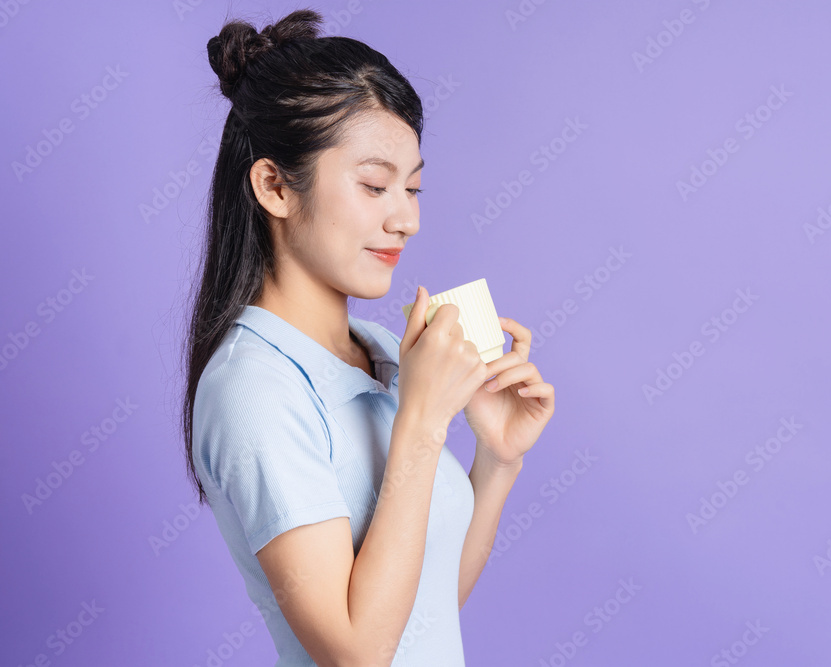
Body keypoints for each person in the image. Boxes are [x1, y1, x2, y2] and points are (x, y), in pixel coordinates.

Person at [180, 8, 555, 666]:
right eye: (375, 185)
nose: (406, 217)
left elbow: (423, 605)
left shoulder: (378, 351)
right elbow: (356, 652)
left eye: (412, 187)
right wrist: (423, 421)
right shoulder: (254, 388)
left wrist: (497, 461)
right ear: (274, 185)